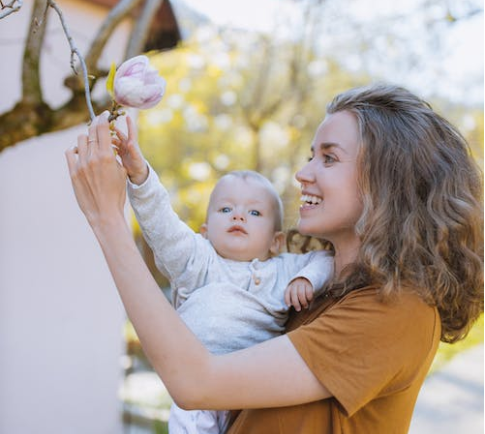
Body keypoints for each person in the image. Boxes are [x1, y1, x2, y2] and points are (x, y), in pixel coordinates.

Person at [66, 83, 483, 433]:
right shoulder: (312, 289)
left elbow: (195, 381)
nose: (303, 174)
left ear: (389, 184)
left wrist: (107, 218)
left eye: (329, 158)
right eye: (310, 155)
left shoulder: (399, 311)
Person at [113, 120, 333, 434]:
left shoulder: (283, 269)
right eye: (226, 209)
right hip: (195, 388)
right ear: (205, 231)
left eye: (254, 213)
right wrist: (140, 176)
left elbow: (326, 259)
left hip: (250, 392)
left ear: (275, 241)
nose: (239, 216)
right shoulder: (197, 260)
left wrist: (308, 279)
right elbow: (162, 225)